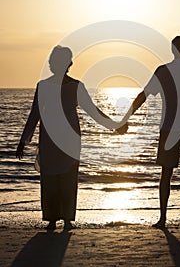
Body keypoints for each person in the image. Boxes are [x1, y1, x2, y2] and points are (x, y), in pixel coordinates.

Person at [16, 46, 127, 230]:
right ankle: (60, 219)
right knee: (59, 178)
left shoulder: (70, 86)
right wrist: (23, 140)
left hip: (63, 139)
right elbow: (35, 114)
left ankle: (59, 220)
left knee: (58, 178)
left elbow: (91, 110)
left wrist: (114, 125)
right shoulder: (47, 86)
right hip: (56, 139)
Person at [121, 36, 180, 228]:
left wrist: (126, 117)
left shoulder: (164, 72)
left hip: (172, 129)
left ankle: (164, 218)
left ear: (173, 50)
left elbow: (143, 96)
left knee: (167, 173)